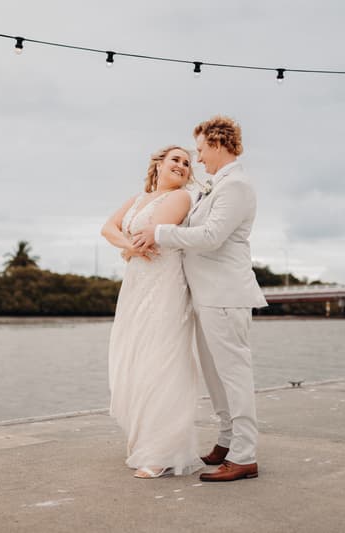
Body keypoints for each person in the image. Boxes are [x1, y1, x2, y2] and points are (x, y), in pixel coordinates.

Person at [132, 116, 268, 482]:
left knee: (234, 374)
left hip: (225, 294)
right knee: (215, 375)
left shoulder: (236, 185)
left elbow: (211, 237)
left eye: (202, 149)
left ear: (218, 144)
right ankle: (226, 440)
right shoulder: (216, 186)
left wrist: (159, 232)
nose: (199, 156)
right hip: (206, 296)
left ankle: (244, 455)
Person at [101, 145, 204, 479]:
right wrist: (127, 249)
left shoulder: (181, 198)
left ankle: (162, 452)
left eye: (187, 163)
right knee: (136, 357)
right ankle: (144, 438)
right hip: (135, 286)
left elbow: (151, 236)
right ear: (158, 164)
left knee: (162, 360)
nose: (182, 166)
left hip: (164, 285)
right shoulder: (137, 199)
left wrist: (130, 247)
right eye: (175, 159)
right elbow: (108, 228)